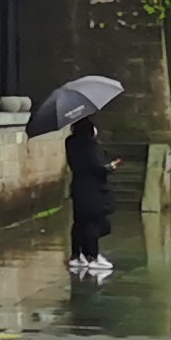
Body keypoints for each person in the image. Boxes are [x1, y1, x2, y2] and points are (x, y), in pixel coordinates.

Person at [65, 115, 119, 281]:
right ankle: (93, 256)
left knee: (79, 222)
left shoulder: (70, 143)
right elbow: (97, 168)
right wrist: (111, 167)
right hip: (92, 190)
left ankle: (76, 255)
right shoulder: (90, 146)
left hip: (78, 187)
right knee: (93, 221)